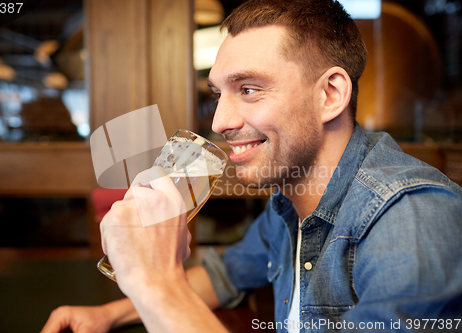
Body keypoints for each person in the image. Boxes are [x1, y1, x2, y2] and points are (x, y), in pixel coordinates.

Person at [41, 0, 462, 332]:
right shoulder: (289, 199)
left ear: (330, 95)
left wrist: (158, 283)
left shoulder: (413, 217)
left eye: (249, 88)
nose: (219, 122)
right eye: (219, 93)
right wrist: (111, 314)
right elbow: (228, 274)